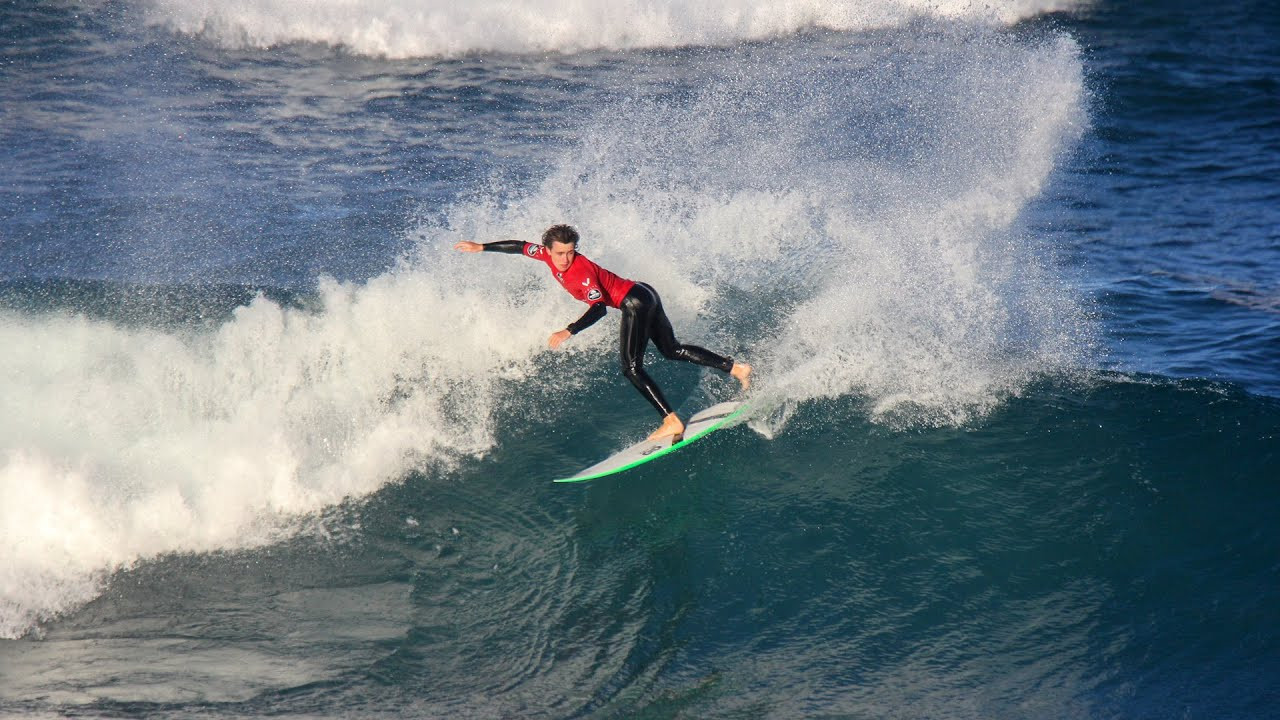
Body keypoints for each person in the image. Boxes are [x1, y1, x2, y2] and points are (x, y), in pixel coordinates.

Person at [454, 224, 751, 441]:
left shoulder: (581, 272)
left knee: (632, 369)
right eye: (560, 253)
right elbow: (520, 246)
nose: (565, 259)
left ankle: (672, 421)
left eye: (570, 252)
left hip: (635, 302)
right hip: (644, 291)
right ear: (548, 250)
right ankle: (736, 368)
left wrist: (569, 330)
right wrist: (482, 247)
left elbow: (599, 308)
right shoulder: (546, 254)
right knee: (671, 349)